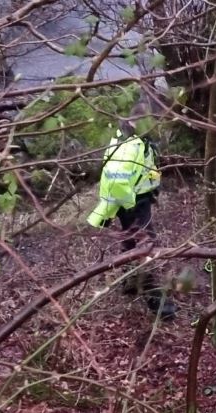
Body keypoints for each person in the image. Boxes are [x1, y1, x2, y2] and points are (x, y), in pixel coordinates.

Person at [86, 99, 177, 320]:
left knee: (130, 241)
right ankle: (156, 301)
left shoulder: (137, 139)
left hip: (136, 200)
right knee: (147, 246)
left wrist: (153, 184)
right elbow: (117, 181)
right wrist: (132, 206)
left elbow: (143, 170)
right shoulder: (130, 146)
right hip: (132, 203)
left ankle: (130, 283)